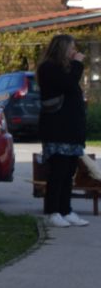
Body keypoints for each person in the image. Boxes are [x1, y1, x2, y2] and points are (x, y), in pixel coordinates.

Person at [37, 33, 89, 229]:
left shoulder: (65, 69)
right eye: (71, 48)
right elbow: (67, 84)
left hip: (72, 130)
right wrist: (77, 64)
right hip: (57, 129)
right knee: (58, 172)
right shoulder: (48, 68)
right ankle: (52, 212)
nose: (74, 51)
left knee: (69, 173)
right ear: (62, 49)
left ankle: (66, 210)